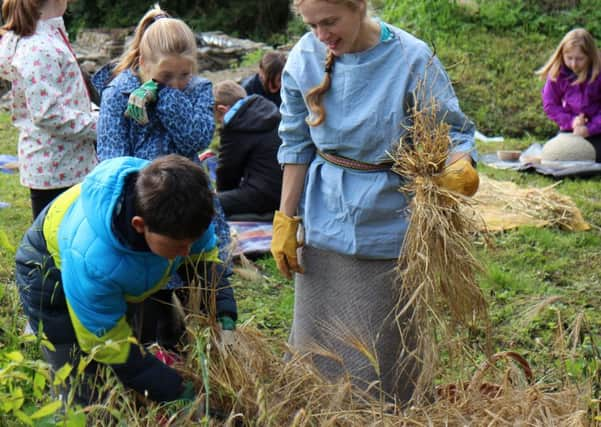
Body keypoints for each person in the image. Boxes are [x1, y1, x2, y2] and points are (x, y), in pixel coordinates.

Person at [270, 0, 479, 402]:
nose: (321, 36)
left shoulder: (411, 58)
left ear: (360, 7)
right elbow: (295, 143)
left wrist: (459, 165)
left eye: (330, 22)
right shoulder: (304, 57)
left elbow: (452, 132)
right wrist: (286, 217)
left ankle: (388, 410)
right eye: (312, 25)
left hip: (390, 215)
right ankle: (320, 405)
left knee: (383, 342)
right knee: (319, 338)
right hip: (324, 212)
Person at [15, 154, 237, 404]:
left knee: (131, 372)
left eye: (191, 242)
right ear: (140, 225)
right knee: (84, 383)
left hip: (116, 272)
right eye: (179, 246)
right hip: (47, 277)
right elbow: (108, 341)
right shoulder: (94, 261)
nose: (186, 253)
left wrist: (223, 306)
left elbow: (203, 256)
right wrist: (173, 390)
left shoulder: (186, 206)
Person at [96, 5, 233, 279]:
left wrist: (164, 95)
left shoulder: (198, 90)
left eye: (184, 74)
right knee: (152, 280)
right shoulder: (119, 94)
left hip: (190, 193)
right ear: (144, 64)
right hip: (144, 201)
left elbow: (195, 139)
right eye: (166, 76)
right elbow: (112, 160)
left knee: (199, 273)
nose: (177, 83)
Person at [0, 0, 98, 219]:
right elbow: (48, 114)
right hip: (56, 168)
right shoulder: (39, 48)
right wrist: (100, 125)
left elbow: (68, 96)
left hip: (68, 162)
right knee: (51, 244)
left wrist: (94, 112)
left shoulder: (50, 35)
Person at [213, 80, 283, 219]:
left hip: (263, 194)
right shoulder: (267, 110)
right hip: (286, 190)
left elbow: (227, 171)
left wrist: (222, 196)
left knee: (202, 203)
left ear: (222, 110)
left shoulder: (235, 126)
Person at [537, 28, 601, 162]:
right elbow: (550, 105)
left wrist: (590, 128)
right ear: (562, 55)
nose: (574, 64)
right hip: (571, 129)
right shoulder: (557, 74)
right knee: (560, 155)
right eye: (569, 58)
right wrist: (572, 121)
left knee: (593, 155)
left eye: (579, 59)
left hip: (597, 129)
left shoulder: (598, 73)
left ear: (590, 56)